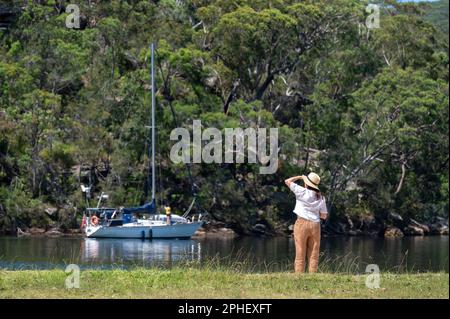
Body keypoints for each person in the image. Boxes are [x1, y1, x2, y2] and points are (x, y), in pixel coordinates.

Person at [285, 172, 328, 273]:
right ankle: (312, 275)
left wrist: (300, 176)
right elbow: (324, 215)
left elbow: (287, 181)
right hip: (315, 225)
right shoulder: (321, 197)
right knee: (314, 253)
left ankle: (299, 276)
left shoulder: (301, 191)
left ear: (306, 183)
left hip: (301, 224)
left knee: (300, 251)